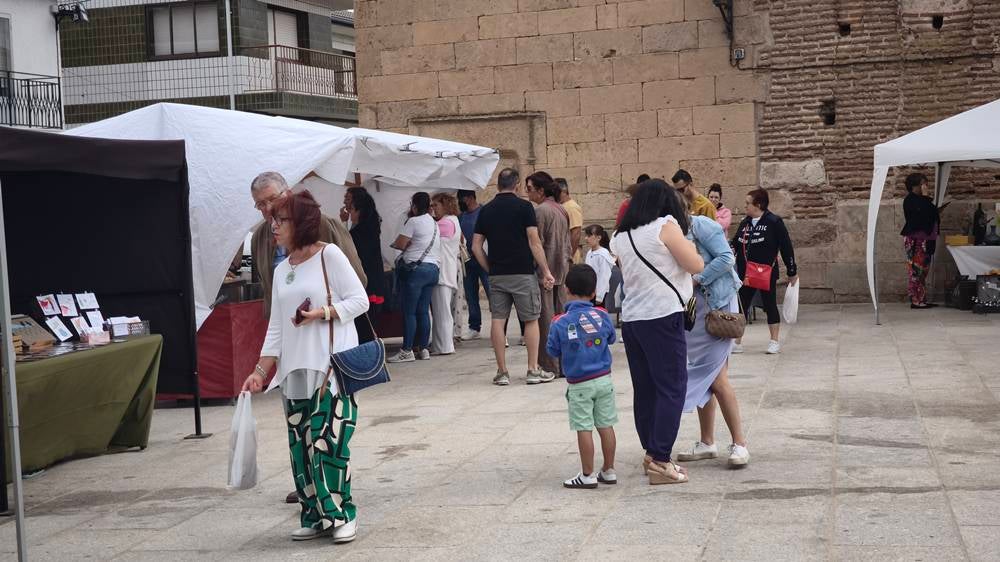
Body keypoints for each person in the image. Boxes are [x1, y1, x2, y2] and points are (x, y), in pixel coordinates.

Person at [241, 190, 369, 544]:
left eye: (281, 220)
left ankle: (342, 514)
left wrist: (322, 313)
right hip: (294, 371)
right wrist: (260, 371)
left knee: (328, 443)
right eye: (273, 220)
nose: (274, 226)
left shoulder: (330, 255)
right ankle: (313, 514)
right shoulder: (282, 269)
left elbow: (360, 300)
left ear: (301, 223)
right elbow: (276, 327)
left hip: (331, 368)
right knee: (300, 447)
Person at [610, 179, 704, 485]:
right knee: (673, 386)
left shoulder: (620, 236)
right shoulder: (665, 226)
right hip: (663, 315)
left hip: (633, 318)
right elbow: (695, 264)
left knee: (646, 388)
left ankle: (652, 452)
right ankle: (661, 460)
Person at [675, 212, 749, 467]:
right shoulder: (669, 229)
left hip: (718, 307)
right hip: (695, 311)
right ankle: (707, 441)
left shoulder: (701, 225)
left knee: (716, 376)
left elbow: (727, 258)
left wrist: (697, 279)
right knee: (704, 372)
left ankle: (739, 443)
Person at [472, 167, 557, 386]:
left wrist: (489, 267)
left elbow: (476, 246)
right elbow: (534, 241)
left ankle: (502, 372)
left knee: (498, 320)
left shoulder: (486, 210)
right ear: (517, 185)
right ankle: (532, 369)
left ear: (498, 185)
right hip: (523, 273)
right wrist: (546, 270)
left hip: (497, 274)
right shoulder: (525, 207)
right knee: (530, 319)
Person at [250, 172, 366, 319]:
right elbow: (268, 288)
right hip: (286, 324)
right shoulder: (259, 239)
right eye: (260, 204)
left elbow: (358, 279)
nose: (268, 207)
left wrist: (324, 312)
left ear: (289, 194)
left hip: (326, 323)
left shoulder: (323, 225)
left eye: (273, 199)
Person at [546, 264, 619, 489]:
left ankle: (587, 474)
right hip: (604, 379)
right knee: (606, 425)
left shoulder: (560, 322)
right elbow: (611, 338)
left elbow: (552, 350)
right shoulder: (602, 315)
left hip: (579, 384)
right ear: (594, 292)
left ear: (566, 290)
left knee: (584, 427)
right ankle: (609, 470)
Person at [731, 188, 797, 355]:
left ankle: (774, 341)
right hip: (746, 274)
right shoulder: (745, 223)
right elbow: (736, 243)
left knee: (770, 304)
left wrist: (792, 271)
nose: (745, 206)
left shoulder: (774, 222)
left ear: (758, 205)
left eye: (748, 203)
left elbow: (786, 247)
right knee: (741, 305)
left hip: (765, 273)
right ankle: (737, 342)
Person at [525, 171, 571, 376]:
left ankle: (550, 365)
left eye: (530, 189)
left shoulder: (542, 211)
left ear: (541, 190)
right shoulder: (561, 209)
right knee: (560, 318)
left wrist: (540, 269)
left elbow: (537, 243)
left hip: (547, 272)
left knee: (546, 321)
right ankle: (563, 364)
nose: (528, 194)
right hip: (561, 269)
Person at [388, 192, 441, 363]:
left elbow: (400, 244)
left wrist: (400, 243)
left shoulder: (413, 221)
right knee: (423, 311)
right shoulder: (434, 223)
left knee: (409, 312)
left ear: (415, 206)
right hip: (433, 269)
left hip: (416, 271)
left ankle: (407, 350)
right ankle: (423, 349)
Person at [345, 188, 386, 342]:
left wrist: (344, 222)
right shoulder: (369, 225)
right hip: (372, 278)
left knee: (363, 324)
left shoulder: (360, 231)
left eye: (348, 198)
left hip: (366, 279)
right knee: (367, 323)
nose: (344, 201)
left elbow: (348, 246)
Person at [900, 173, 940, 309]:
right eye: (923, 184)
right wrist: (925, 197)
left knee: (923, 270)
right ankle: (916, 300)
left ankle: (922, 298)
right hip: (916, 240)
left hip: (927, 239)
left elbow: (931, 212)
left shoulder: (923, 200)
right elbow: (920, 214)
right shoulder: (910, 200)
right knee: (916, 270)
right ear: (914, 186)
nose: (926, 186)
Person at [429, 192, 463, 355]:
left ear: (446, 205)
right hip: (447, 270)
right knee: (442, 311)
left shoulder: (444, 223)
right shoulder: (453, 220)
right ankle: (441, 345)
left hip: (443, 271)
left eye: (436, 205)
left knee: (442, 312)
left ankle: (445, 346)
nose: (433, 209)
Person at [458, 189, 489, 340]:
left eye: (462, 199)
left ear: (470, 198)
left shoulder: (484, 212)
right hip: (467, 260)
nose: (460, 202)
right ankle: (474, 326)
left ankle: (500, 325)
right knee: (470, 295)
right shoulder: (461, 217)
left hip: (484, 259)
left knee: (492, 293)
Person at [583, 225, 614, 308]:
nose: (586, 238)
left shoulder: (603, 254)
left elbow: (604, 276)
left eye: (589, 236)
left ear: (598, 238)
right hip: (590, 291)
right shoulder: (589, 253)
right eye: (586, 235)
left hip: (599, 293)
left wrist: (599, 296)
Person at [556, 177, 584, 263]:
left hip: (569, 258)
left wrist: (570, 256)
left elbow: (576, 233)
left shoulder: (571, 207)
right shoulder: (562, 205)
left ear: (564, 191)